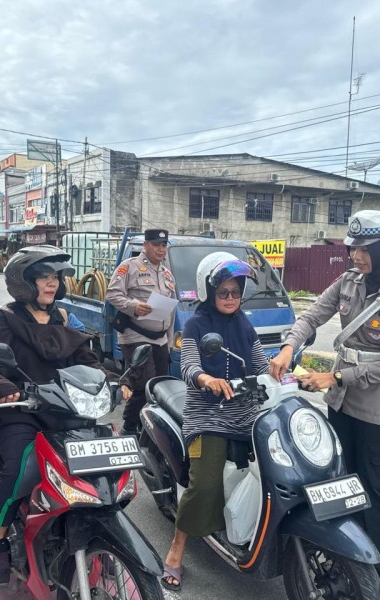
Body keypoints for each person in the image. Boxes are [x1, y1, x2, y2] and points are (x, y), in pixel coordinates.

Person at [269, 210, 380, 600]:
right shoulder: (348, 282)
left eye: (364, 250)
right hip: (341, 406)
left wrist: (334, 377)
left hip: (379, 414)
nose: (355, 256)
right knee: (339, 487)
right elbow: (313, 314)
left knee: (375, 497)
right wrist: (288, 346)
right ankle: (346, 566)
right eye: (352, 248)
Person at [0, 245, 131, 587]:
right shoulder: (5, 319)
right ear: (24, 282)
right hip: (20, 411)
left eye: (56, 277)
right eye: (44, 277)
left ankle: (103, 535)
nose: (52, 283)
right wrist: (3, 386)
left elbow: (86, 357)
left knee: (102, 464)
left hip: (66, 409)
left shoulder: (63, 317)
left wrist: (113, 381)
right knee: (21, 467)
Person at [160, 252, 268, 592]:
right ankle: (177, 549)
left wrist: (288, 374)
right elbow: (189, 365)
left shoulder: (244, 324)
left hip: (246, 412)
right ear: (209, 293)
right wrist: (207, 380)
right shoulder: (196, 324)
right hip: (208, 415)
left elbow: (261, 364)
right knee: (205, 484)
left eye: (236, 292)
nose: (231, 299)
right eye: (224, 292)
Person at [106, 228, 177, 435]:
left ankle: (149, 429)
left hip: (160, 339)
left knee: (158, 387)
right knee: (141, 386)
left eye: (164, 245)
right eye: (156, 245)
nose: (161, 249)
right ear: (145, 245)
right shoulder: (129, 267)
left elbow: (170, 311)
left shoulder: (167, 273)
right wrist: (133, 306)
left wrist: (170, 342)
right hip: (136, 337)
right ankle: (129, 428)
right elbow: (112, 294)